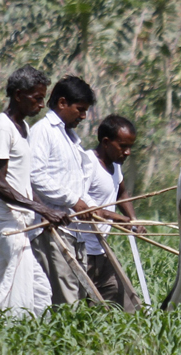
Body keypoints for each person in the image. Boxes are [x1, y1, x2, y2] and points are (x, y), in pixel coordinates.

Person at [0, 66, 65, 318]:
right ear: (18, 95)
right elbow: (0, 184)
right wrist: (42, 208)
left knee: (30, 284)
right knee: (23, 282)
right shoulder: (2, 127)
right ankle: (2, 325)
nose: (42, 104)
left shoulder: (22, 127)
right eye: (37, 98)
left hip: (21, 221)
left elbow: (22, 182)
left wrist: (45, 212)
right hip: (5, 221)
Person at [29, 75, 97, 305]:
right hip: (52, 228)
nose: (83, 116)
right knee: (65, 297)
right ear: (62, 103)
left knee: (78, 292)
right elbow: (35, 175)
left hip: (74, 229)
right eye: (80, 109)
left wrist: (90, 206)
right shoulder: (43, 131)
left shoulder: (70, 138)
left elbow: (76, 183)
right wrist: (72, 200)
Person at [77, 115, 143, 312]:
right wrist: (117, 219)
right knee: (76, 304)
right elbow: (81, 202)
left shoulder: (115, 166)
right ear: (106, 142)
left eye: (130, 147)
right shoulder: (88, 162)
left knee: (122, 300)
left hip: (101, 249)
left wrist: (132, 220)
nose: (128, 152)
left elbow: (121, 193)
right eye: (123, 146)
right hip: (80, 249)